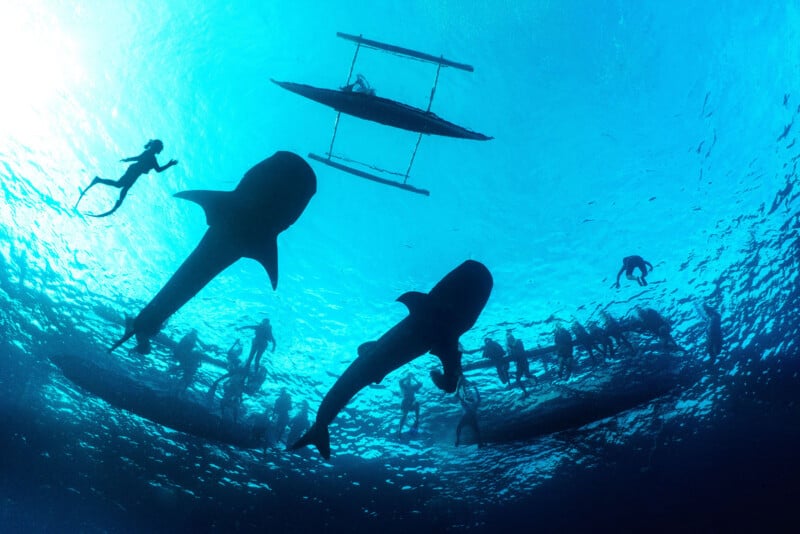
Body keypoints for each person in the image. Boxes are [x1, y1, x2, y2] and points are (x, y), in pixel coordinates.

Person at [75, 139, 178, 217]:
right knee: (120, 185)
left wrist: (127, 159)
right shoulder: (150, 156)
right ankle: (99, 181)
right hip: (134, 171)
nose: (158, 150)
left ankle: (117, 202)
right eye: (158, 148)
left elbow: (143, 161)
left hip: (135, 172)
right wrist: (169, 164)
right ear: (156, 148)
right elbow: (156, 169)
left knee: (123, 187)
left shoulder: (150, 155)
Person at [170, 329, 201, 394]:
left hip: (183, 355)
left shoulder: (190, 338)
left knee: (186, 371)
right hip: (181, 354)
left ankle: (181, 389)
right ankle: (181, 389)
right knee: (186, 370)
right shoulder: (188, 338)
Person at [455, 376, 482, 448]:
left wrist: (475, 388)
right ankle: (479, 443)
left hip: (468, 417)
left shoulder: (472, 404)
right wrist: (475, 388)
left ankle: (479, 443)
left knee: (460, 428)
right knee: (476, 431)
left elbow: (478, 398)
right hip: (470, 418)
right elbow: (478, 398)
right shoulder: (472, 404)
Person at [506, 331, 535, 396]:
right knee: (518, 379)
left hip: (524, 362)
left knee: (527, 375)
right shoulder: (512, 346)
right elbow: (513, 352)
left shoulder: (518, 342)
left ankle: (535, 380)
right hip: (519, 364)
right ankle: (525, 391)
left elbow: (516, 348)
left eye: (509, 340)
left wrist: (509, 346)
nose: (509, 342)